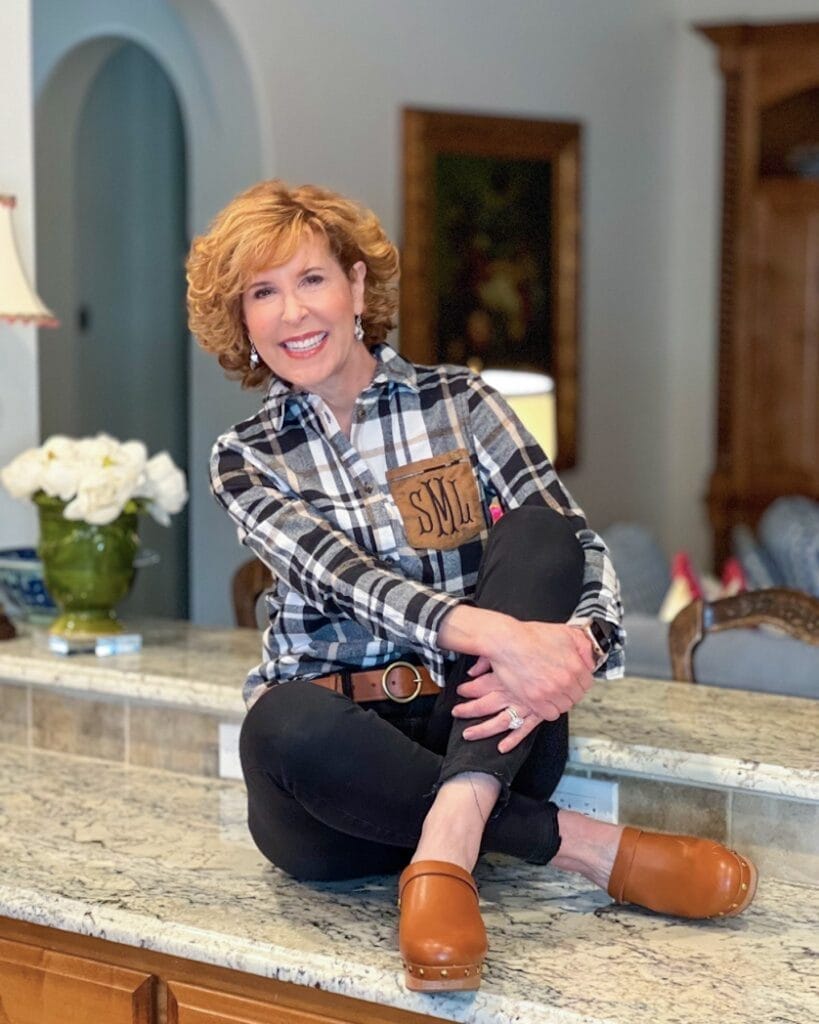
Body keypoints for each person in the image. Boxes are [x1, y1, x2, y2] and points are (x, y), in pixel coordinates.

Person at [186, 180, 757, 994]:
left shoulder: (463, 401)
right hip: (332, 783)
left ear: (354, 284)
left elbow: (581, 551)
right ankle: (588, 849)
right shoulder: (244, 457)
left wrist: (575, 644)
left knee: (541, 532)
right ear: (242, 322)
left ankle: (455, 832)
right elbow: (345, 580)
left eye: (310, 279)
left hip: (485, 722)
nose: (292, 313)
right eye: (262, 293)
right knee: (278, 722)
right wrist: (498, 634)